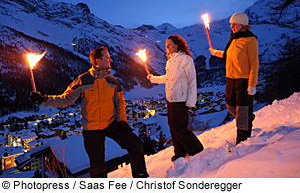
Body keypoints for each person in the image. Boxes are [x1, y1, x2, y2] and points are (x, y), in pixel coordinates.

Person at [30, 46, 149, 178]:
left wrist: (122, 121)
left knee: (135, 144)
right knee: (97, 166)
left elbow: (120, 102)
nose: (111, 60)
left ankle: (140, 177)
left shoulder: (112, 81)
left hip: (111, 123)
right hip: (91, 129)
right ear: (98, 61)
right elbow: (66, 99)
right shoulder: (83, 80)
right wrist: (43, 100)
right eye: (107, 57)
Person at [147, 34, 204, 162]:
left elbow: (192, 81)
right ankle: (179, 151)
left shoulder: (185, 60)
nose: (167, 48)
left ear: (177, 45)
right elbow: (167, 78)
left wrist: (190, 101)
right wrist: (153, 78)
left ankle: (196, 149)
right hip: (171, 98)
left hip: (181, 99)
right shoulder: (170, 61)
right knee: (172, 127)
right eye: (166, 46)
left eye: (170, 45)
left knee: (180, 127)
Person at [209, 12, 259, 145]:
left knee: (242, 110)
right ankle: (247, 118)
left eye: (234, 24)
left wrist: (252, 84)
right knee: (230, 105)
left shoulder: (250, 40)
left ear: (242, 25)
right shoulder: (233, 39)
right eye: (231, 24)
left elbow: (254, 63)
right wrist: (216, 53)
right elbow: (228, 56)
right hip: (231, 78)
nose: (231, 27)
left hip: (243, 80)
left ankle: (242, 141)